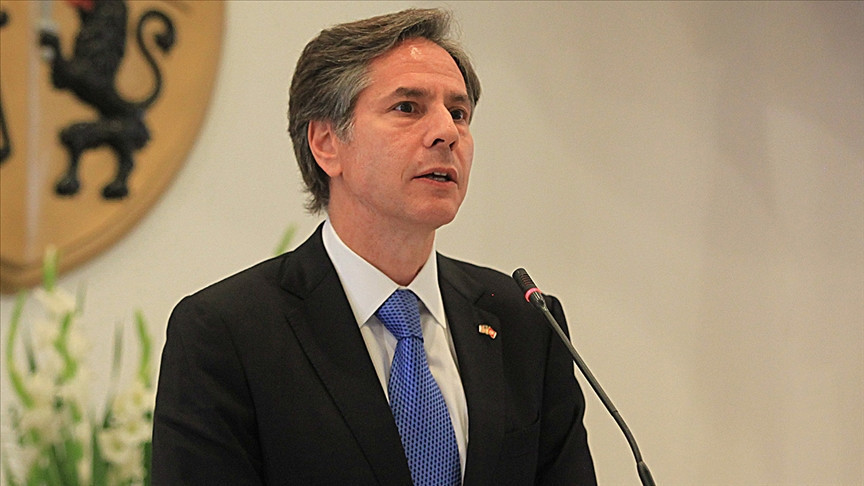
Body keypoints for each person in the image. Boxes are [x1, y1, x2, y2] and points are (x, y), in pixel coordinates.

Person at [151, 8, 596, 485]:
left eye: (459, 113)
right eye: (407, 107)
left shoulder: (526, 323)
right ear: (327, 143)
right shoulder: (227, 334)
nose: (447, 132)